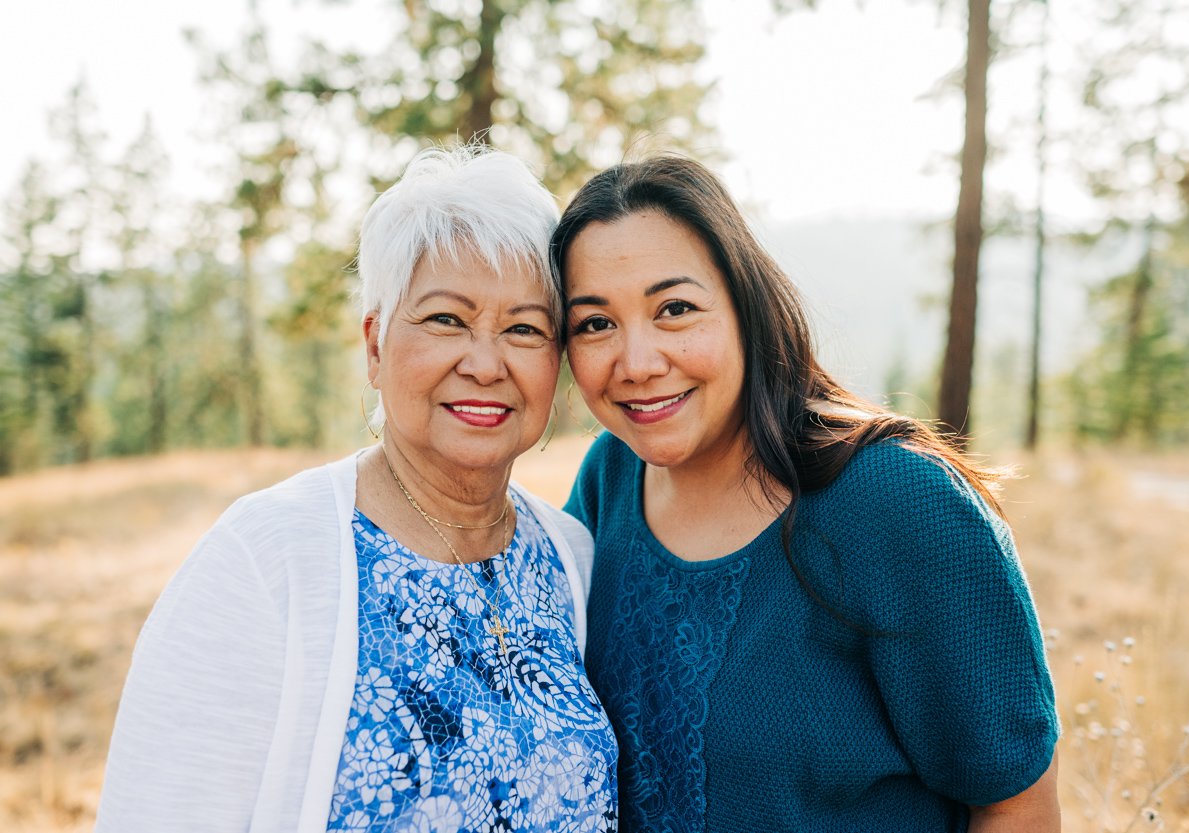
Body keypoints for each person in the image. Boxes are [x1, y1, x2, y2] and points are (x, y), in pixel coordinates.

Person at [96, 146, 618, 833]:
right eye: (445, 320)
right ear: (374, 345)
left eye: (523, 327)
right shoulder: (265, 562)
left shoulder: (572, 557)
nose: (486, 362)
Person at [551, 155, 1061, 832]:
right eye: (595, 323)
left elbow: (1015, 801)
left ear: (745, 306)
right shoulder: (607, 480)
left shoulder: (900, 503)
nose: (638, 362)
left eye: (675, 308)